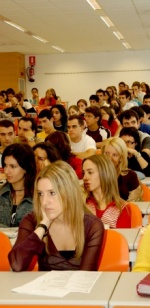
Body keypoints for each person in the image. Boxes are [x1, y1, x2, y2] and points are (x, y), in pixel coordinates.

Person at [8, 160, 104, 272]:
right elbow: (17, 264)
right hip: (44, 289)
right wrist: (43, 226)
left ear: (69, 192)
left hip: (78, 289)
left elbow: (86, 276)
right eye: (40, 194)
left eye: (52, 193)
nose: (44, 202)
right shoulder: (32, 221)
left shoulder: (92, 226)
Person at [82, 154, 131, 228]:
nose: (85, 177)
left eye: (90, 172)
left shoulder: (122, 208)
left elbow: (122, 238)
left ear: (104, 173)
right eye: (83, 173)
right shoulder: (82, 203)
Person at [0, 143, 36, 227]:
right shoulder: (2, 193)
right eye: (5, 165)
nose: (7, 171)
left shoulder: (38, 196)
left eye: (13, 166)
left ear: (26, 168)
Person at [101, 137, 142, 202]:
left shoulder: (131, 176)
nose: (109, 158)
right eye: (107, 153)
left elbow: (133, 204)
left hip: (124, 210)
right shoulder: (96, 173)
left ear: (121, 158)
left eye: (115, 155)